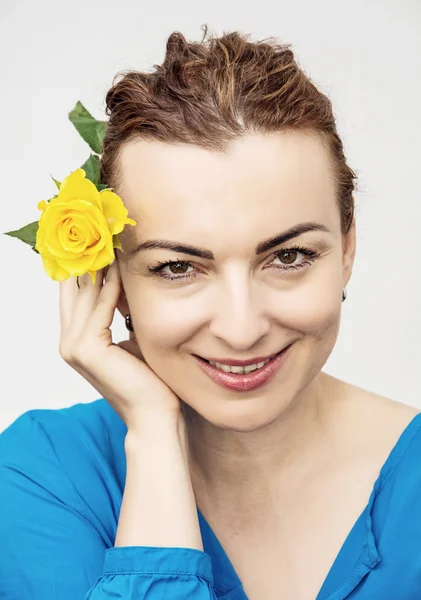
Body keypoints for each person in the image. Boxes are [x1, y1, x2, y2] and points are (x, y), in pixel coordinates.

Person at [1, 26, 420, 600]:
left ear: (347, 249)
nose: (241, 328)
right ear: (109, 279)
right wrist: (152, 436)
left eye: (289, 256)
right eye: (178, 267)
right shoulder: (38, 477)